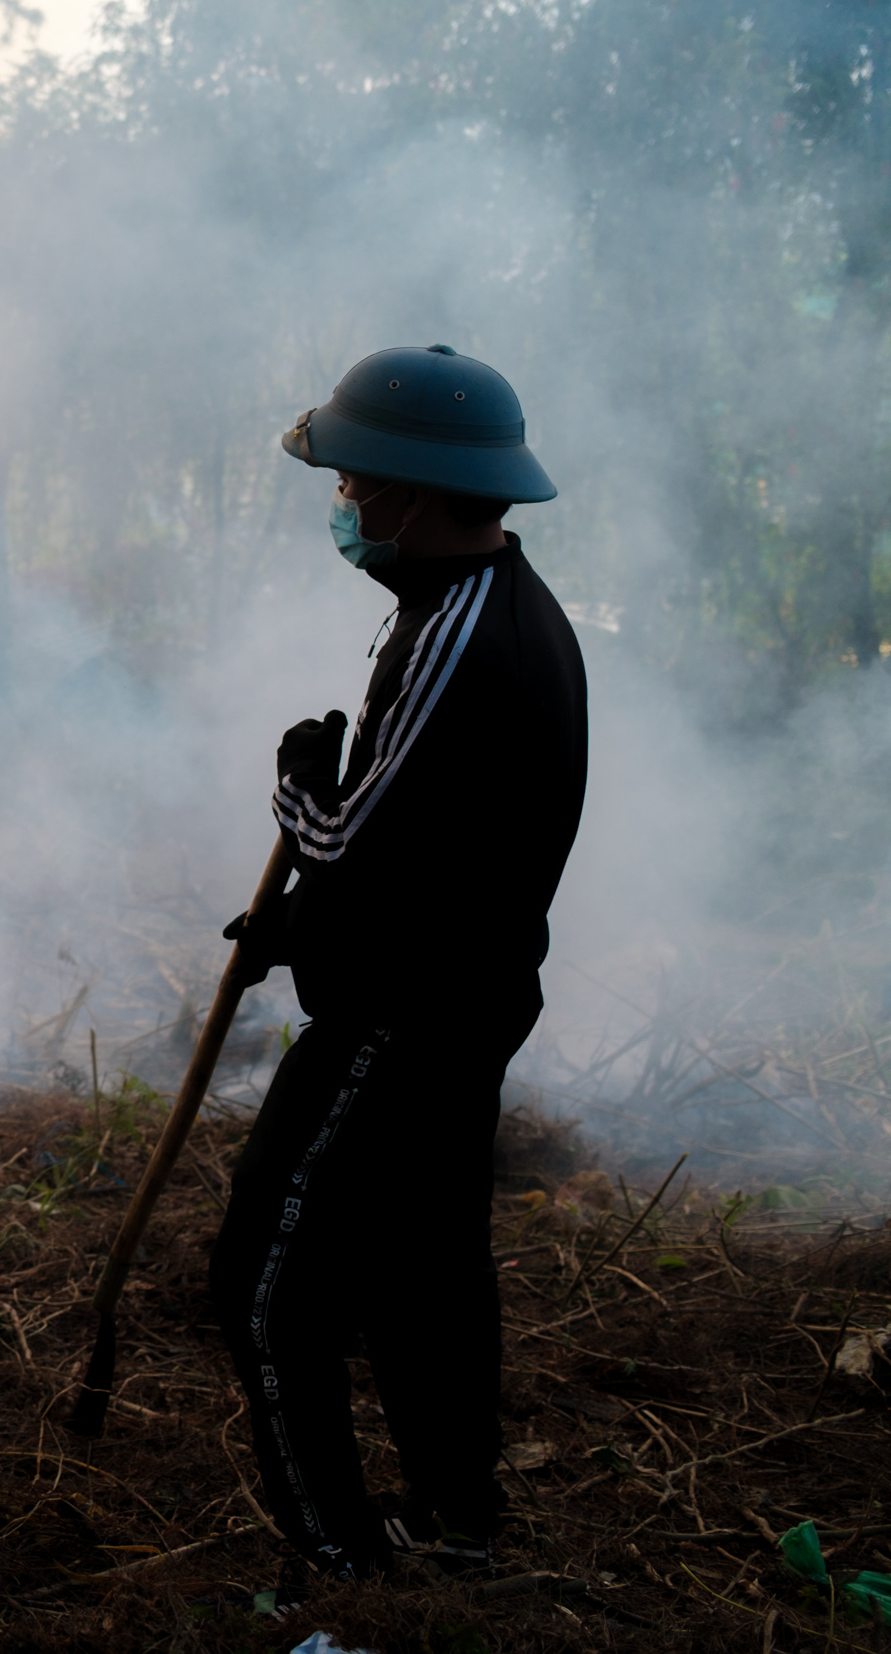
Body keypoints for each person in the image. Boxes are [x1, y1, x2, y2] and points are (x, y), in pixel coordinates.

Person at [210, 344, 587, 1591]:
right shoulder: (488, 603)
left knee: (262, 1286)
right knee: (424, 1271)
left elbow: (352, 839)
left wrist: (296, 784)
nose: (346, 505)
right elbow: (437, 846)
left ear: (417, 497)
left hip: (399, 1020)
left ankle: (337, 1564)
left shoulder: (460, 638)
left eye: (359, 484)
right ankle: (458, 1529)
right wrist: (300, 930)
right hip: (462, 995)